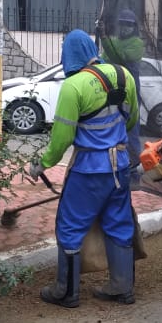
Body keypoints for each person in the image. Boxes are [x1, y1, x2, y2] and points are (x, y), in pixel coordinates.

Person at [28, 29, 139, 308]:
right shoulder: (124, 75)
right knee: (119, 224)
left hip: (88, 171)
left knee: (70, 227)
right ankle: (122, 288)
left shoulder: (73, 86)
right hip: (121, 167)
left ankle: (66, 292)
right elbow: (131, 120)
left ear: (68, 55)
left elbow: (62, 138)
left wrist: (41, 164)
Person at [100, 9, 145, 184]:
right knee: (112, 132)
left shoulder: (137, 43)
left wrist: (104, 38)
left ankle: (134, 175)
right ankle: (115, 170)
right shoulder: (115, 41)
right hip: (113, 92)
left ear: (134, 27)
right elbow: (104, 60)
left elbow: (119, 57)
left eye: (129, 24)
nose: (125, 27)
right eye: (123, 24)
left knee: (131, 134)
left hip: (130, 93)